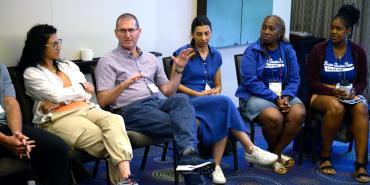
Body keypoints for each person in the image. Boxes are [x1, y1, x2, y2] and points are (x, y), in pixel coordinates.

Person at [95, 13, 215, 185]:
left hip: (156, 103)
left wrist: (179, 68)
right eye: (123, 31)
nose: (127, 35)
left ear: (139, 32)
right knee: (185, 125)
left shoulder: (150, 58)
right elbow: (102, 101)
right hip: (131, 109)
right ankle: (193, 167)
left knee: (181, 99)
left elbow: (168, 91)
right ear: (116, 33)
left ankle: (189, 155)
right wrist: (123, 86)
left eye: (131, 30)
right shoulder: (108, 61)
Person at [18, 24, 137, 185]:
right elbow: (61, 93)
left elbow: (89, 91)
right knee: (113, 141)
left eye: (58, 41)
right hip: (59, 117)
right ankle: (126, 179)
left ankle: (124, 179)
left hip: (86, 107)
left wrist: (61, 99)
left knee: (115, 121)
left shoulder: (68, 65)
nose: (58, 46)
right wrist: (78, 89)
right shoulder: (31, 73)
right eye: (54, 44)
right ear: (40, 47)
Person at [172, 15, 278, 184]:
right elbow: (175, 86)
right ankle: (250, 148)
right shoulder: (183, 53)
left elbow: (218, 84)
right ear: (192, 34)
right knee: (225, 104)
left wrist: (215, 91)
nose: (203, 38)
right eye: (199, 34)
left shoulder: (216, 55)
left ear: (211, 33)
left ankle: (217, 166)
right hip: (188, 102)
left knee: (222, 108)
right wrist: (199, 94)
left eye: (207, 33)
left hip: (209, 101)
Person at [235, 15, 306, 175]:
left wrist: (287, 96)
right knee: (275, 118)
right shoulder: (252, 51)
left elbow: (295, 78)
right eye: (264, 27)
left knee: (299, 113)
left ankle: (274, 155)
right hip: (256, 95)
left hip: (283, 94)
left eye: (271, 28)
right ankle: (277, 156)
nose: (266, 31)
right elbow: (250, 82)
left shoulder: (287, 50)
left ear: (280, 32)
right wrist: (275, 98)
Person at [307, 5, 369, 183]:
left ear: (348, 30)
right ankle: (325, 155)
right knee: (336, 106)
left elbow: (363, 81)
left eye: (339, 28)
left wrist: (354, 91)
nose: (333, 31)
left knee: (362, 108)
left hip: (349, 95)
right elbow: (311, 82)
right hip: (321, 94)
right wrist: (332, 91)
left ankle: (360, 163)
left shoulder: (358, 52)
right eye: (332, 28)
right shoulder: (318, 50)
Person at [0, 64, 69, 185]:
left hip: (5, 126)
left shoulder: (1, 68)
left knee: (57, 148)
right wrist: (5, 140)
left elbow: (10, 103)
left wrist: (17, 133)